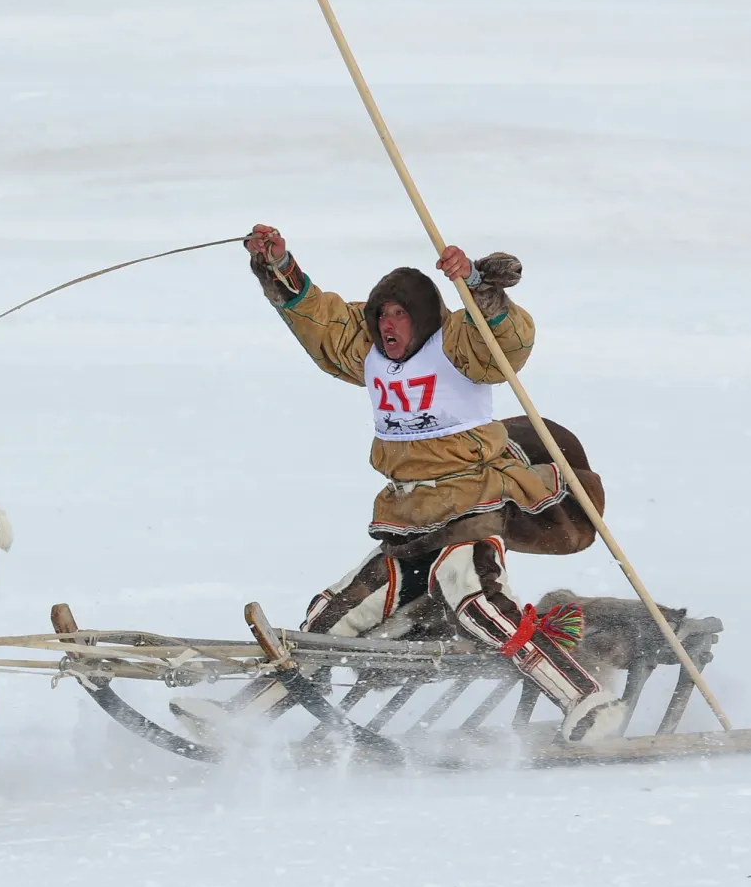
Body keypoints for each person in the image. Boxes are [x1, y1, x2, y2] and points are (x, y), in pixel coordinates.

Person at [243, 224, 624, 742]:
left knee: (474, 599)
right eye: (381, 314)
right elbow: (324, 324)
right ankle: (241, 718)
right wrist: (280, 267)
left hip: (472, 499)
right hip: (408, 514)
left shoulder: (456, 345)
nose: (388, 324)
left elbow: (505, 344)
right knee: (334, 613)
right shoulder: (370, 350)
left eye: (400, 314)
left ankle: (587, 700)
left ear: (422, 318)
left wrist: (480, 289)